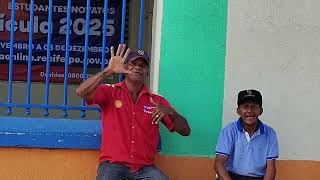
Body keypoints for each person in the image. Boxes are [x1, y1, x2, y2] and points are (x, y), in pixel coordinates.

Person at [76, 44, 191, 180]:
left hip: (144, 168)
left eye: (142, 65)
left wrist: (170, 112)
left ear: (147, 72)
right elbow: (81, 92)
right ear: (125, 67)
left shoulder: (157, 101)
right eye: (133, 63)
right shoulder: (110, 92)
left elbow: (186, 131)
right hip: (113, 165)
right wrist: (108, 71)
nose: (137, 67)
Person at [214, 89, 279, 180]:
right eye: (245, 107)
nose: (249, 111)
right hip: (230, 177)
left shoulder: (270, 134)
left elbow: (271, 168)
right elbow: (219, 164)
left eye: (254, 107)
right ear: (238, 111)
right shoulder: (229, 131)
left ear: (260, 110)